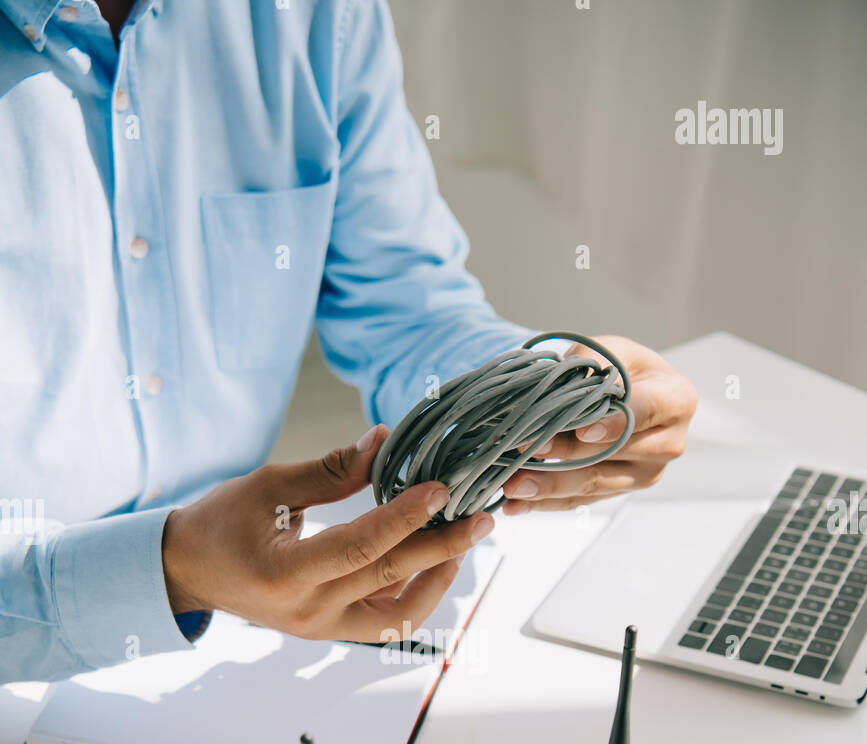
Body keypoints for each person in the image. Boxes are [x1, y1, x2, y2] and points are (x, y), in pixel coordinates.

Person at [0, 0, 697, 683]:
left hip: (223, 636)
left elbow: (405, 311)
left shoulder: (315, 14)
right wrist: (167, 570)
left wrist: (540, 397)